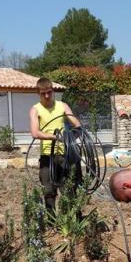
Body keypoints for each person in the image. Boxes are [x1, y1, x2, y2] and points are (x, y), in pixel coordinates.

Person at [29, 77, 81, 211]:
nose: (46, 96)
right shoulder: (35, 109)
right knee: (48, 191)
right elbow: (35, 132)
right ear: (38, 93)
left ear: (53, 91)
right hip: (47, 156)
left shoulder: (62, 106)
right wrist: (56, 137)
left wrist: (71, 136)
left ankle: (71, 221)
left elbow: (77, 125)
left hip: (65, 155)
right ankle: (52, 221)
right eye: (43, 93)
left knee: (69, 189)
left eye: (49, 92)